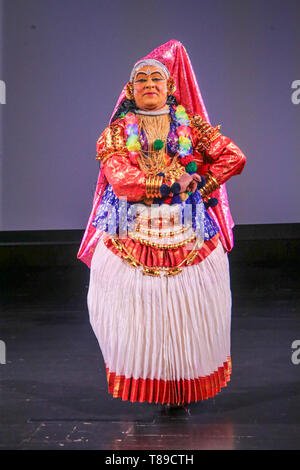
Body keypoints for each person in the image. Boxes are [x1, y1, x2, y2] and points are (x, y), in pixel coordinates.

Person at [77, 40, 246, 409]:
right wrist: (169, 185)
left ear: (170, 88)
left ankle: (183, 386)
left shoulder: (190, 126)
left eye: (158, 78)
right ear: (130, 89)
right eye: (141, 79)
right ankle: (152, 383)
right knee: (137, 312)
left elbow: (233, 156)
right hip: (130, 230)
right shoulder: (118, 132)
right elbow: (120, 179)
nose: (150, 84)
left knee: (190, 308)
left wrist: (203, 182)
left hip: (188, 230)